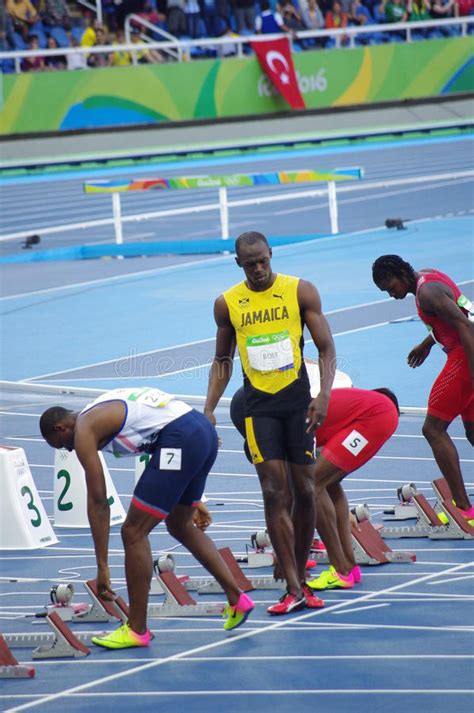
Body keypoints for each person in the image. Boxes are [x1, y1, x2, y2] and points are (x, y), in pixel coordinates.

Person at [39, 386, 254, 649]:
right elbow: (160, 432)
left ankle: (136, 629)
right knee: (179, 524)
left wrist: (102, 566)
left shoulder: (84, 428)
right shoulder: (101, 407)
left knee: (132, 532)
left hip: (181, 438)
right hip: (202, 432)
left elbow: (98, 501)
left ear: (62, 428)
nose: (71, 451)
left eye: (64, 446)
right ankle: (237, 598)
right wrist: (196, 498)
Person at [204, 231, 336, 614]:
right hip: (257, 409)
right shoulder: (227, 303)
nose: (259, 269)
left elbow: (326, 347)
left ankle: (301, 576)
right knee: (273, 492)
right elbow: (222, 360)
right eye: (250, 264)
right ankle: (294, 587)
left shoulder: (300, 291)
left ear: (271, 254)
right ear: (239, 264)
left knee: (306, 490)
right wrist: (209, 408)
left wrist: (323, 394)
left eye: (263, 261)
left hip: (298, 405)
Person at [231, 380, 400, 589]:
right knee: (328, 484)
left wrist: (288, 555)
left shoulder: (286, 427)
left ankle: (341, 570)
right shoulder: (288, 418)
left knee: (313, 485)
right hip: (375, 414)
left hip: (374, 416)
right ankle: (349, 567)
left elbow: (294, 495)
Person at [372, 255, 474, 523]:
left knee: (432, 429)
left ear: (400, 274)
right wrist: (428, 343)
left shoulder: (426, 293)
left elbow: (465, 326)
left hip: (465, 356)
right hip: (464, 352)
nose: (392, 294)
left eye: (390, 287)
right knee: (473, 433)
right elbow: (458, 314)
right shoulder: (428, 277)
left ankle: (464, 509)